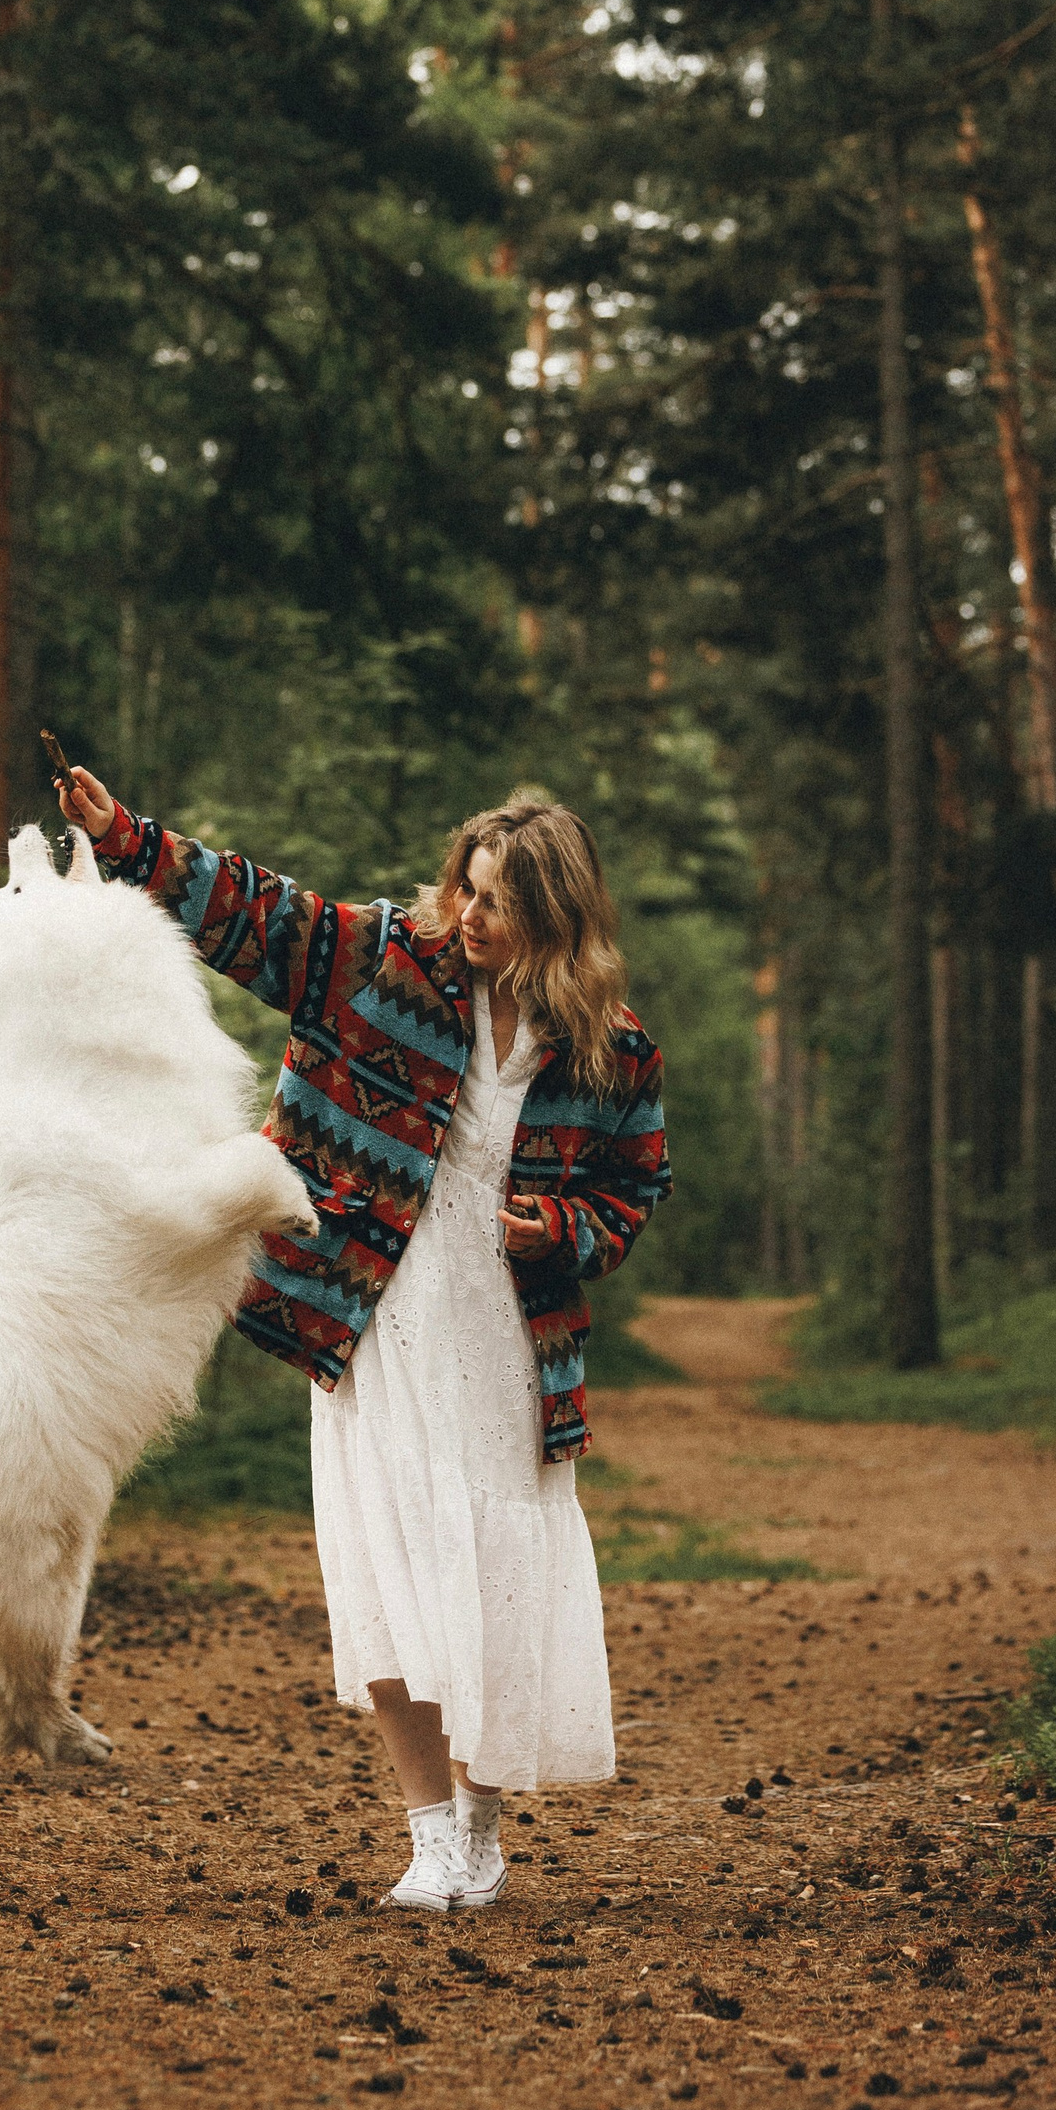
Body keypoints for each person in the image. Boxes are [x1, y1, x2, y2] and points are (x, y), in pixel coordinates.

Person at [52, 766, 668, 1912]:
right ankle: (429, 1833)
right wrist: (127, 839)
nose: (468, 917)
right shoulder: (381, 962)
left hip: (508, 1334)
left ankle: (481, 1831)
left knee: (491, 1572)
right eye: (464, 889)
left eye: (497, 904)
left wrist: (566, 1227)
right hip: (369, 1311)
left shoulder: (610, 1048)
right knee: (390, 1563)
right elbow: (256, 912)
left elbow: (637, 1182)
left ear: (555, 919)